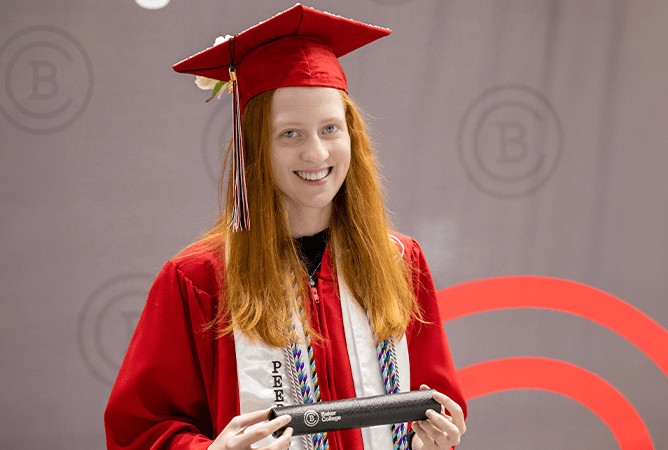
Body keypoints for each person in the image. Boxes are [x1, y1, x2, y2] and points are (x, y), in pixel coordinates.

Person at [104, 5, 467, 450]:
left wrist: (435, 438)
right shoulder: (199, 281)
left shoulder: (398, 261)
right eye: (290, 134)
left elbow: (433, 404)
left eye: (330, 128)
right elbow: (142, 430)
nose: (317, 154)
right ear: (253, 149)